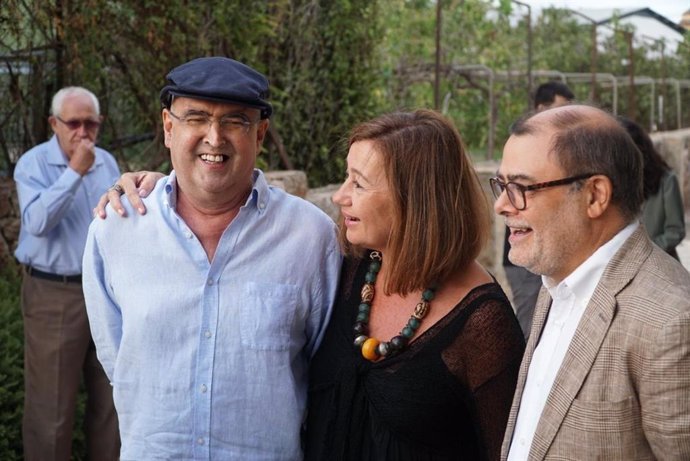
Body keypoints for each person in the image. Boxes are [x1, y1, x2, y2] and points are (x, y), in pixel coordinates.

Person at [82, 57, 341, 459]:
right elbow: (121, 363)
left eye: (235, 121)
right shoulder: (114, 229)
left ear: (261, 134)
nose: (214, 137)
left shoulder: (310, 236)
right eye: (196, 118)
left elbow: (322, 369)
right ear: (169, 128)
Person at [304, 110, 524, 460]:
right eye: (346, 178)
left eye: (358, 183)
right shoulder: (349, 269)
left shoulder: (483, 323)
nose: (340, 196)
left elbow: (507, 449)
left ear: (415, 199)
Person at [490, 104, 690, 460]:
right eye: (501, 185)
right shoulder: (558, 273)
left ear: (595, 195)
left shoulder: (671, 322)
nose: (501, 205)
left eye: (520, 187)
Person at [13, 86, 120, 460]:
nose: (83, 132)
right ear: (53, 124)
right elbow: (37, 223)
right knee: (51, 407)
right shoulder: (33, 164)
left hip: (106, 292)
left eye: (91, 124)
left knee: (111, 402)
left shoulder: (107, 162)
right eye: (73, 123)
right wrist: (75, 172)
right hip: (54, 294)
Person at [502, 80, 575, 339]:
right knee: (529, 327)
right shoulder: (525, 147)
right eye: (561, 109)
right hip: (525, 256)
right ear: (542, 107)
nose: (501, 204)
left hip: (549, 252)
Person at [619, 116, 686, 260]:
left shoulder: (666, 180)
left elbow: (675, 231)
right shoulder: (611, 182)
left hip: (660, 265)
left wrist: (645, 252)